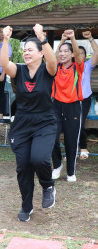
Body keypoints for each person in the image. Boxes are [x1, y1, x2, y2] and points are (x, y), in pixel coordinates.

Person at [1, 24, 58, 222]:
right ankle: (27, 205)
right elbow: (4, 64)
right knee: (23, 166)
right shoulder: (19, 70)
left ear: (40, 53)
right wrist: (6, 39)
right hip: (23, 123)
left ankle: (47, 185)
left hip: (45, 122)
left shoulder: (47, 70)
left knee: (40, 159)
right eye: (24, 50)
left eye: (30, 50)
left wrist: (42, 37)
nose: (26, 53)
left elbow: (53, 61)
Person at [52, 30, 84, 183]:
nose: (62, 54)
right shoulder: (56, 67)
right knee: (51, 136)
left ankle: (71, 172)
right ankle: (57, 165)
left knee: (71, 141)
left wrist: (72, 38)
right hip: (56, 106)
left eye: (66, 51)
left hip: (73, 107)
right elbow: (53, 56)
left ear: (72, 55)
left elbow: (78, 55)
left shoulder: (77, 67)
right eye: (61, 51)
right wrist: (62, 41)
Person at [74, 32, 97, 159]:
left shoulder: (88, 65)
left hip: (84, 99)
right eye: (77, 53)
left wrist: (90, 38)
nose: (79, 55)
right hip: (70, 100)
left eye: (82, 53)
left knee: (79, 124)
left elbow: (97, 53)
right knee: (71, 125)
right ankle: (72, 151)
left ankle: (83, 148)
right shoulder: (69, 66)